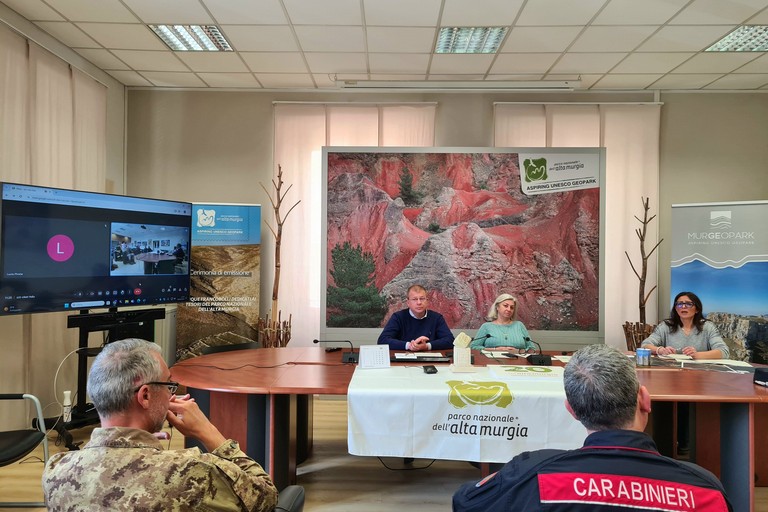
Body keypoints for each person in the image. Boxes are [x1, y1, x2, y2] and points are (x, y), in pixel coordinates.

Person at [453, 344, 733, 511]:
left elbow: (464, 502)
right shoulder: (705, 489)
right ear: (645, 400)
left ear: (571, 411)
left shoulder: (528, 472)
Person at [43, 338, 278, 512]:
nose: (170, 394)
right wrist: (209, 432)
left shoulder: (55, 472)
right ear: (145, 396)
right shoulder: (196, 471)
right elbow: (266, 497)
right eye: (168, 384)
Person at [641, 291, 729, 359]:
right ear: (675, 308)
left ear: (697, 309)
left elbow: (724, 351)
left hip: (701, 373)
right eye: (679, 304)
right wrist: (660, 350)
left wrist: (697, 355)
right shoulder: (666, 326)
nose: (683, 307)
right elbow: (645, 345)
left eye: (688, 304)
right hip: (672, 372)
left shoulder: (708, 327)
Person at [377, 284, 454, 351]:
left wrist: (427, 346)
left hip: (430, 359)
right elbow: (383, 340)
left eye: (422, 299)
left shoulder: (437, 318)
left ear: (427, 301)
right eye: (414, 299)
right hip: (404, 359)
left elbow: (450, 340)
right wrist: (409, 345)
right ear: (408, 303)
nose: (419, 302)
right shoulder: (398, 317)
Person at [470, 293, 535, 351]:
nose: (509, 309)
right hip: (492, 362)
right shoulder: (486, 326)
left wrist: (519, 351)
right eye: (505, 306)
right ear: (497, 307)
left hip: (518, 362)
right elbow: (473, 347)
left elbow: (531, 348)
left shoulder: (519, 325)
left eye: (512, 307)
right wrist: (495, 349)